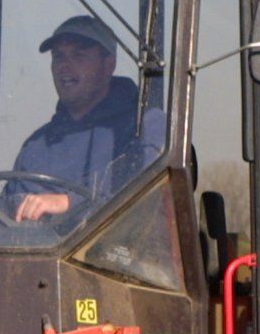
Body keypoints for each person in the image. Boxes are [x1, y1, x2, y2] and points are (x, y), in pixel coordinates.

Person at [11, 14, 165, 222]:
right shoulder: (36, 146)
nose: (64, 66)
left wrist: (68, 203)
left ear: (108, 64)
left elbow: (144, 196)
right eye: (58, 57)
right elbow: (8, 212)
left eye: (78, 56)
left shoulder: (146, 127)